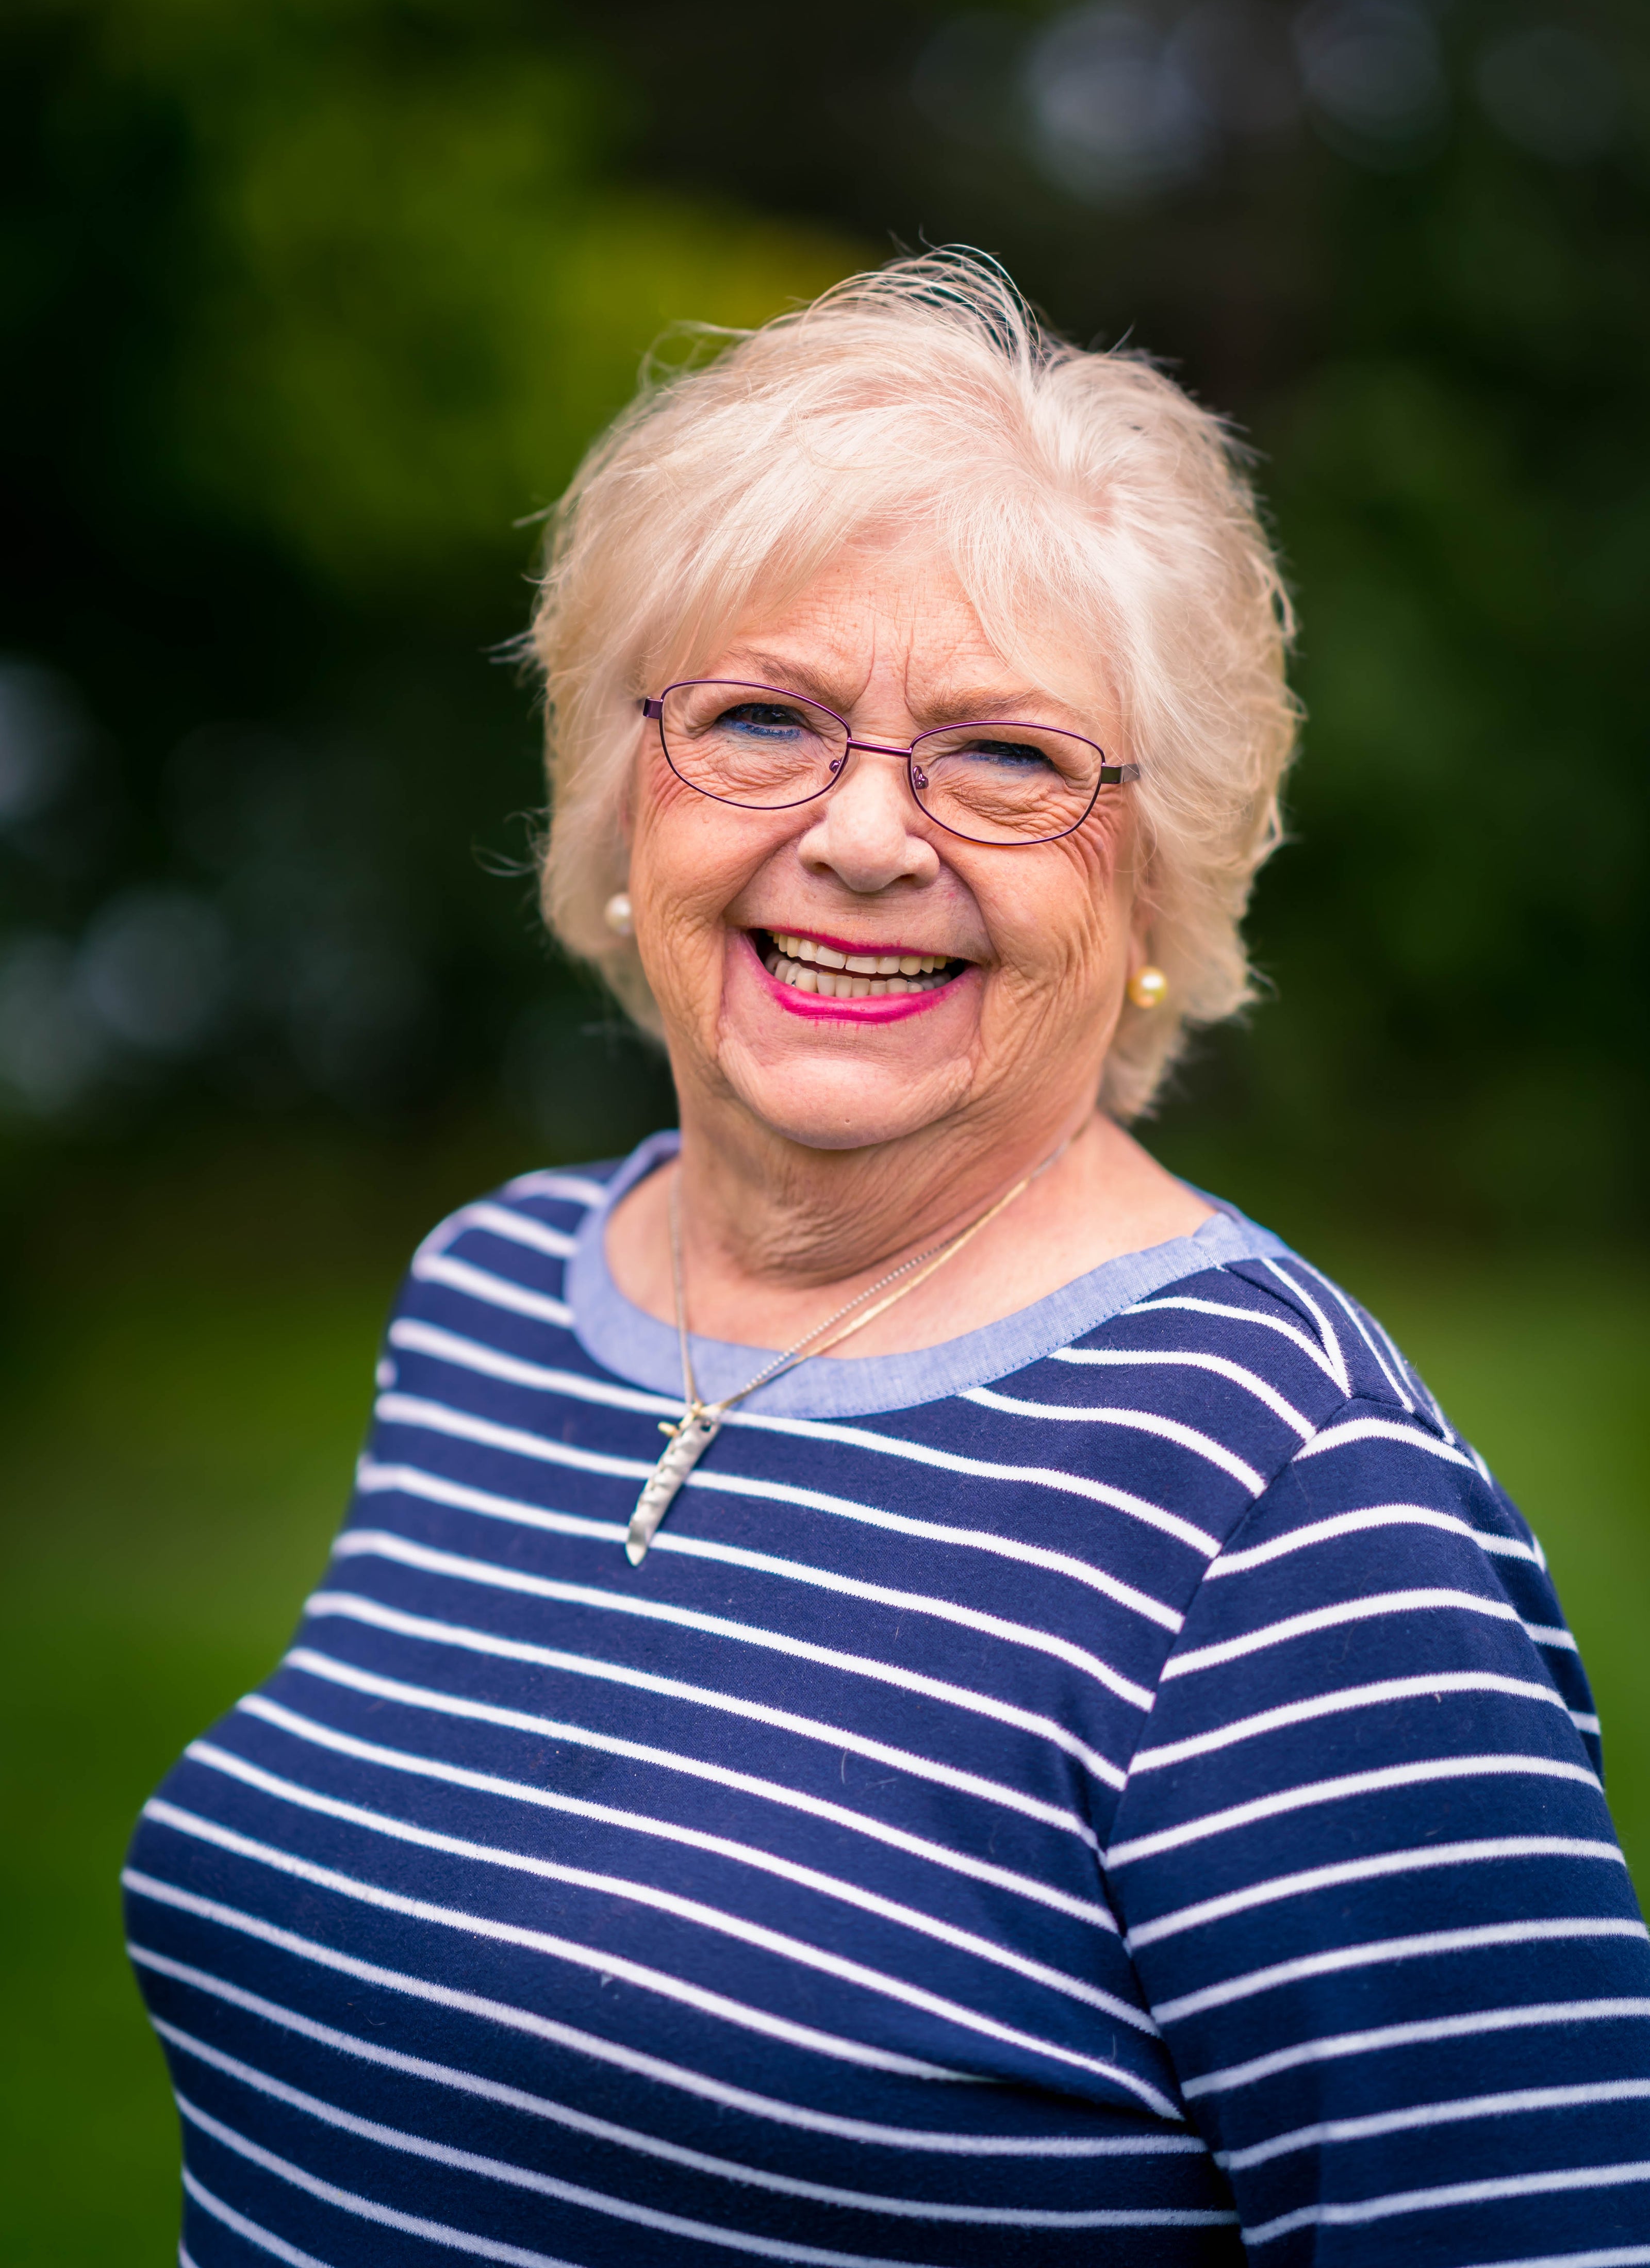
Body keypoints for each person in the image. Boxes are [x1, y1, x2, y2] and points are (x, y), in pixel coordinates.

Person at [125, 253, 1650, 2267]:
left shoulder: (1281, 1505)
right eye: (759, 719)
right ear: (616, 807)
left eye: (1003, 758)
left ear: (1155, 883)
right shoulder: (488, 1302)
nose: (860, 835)